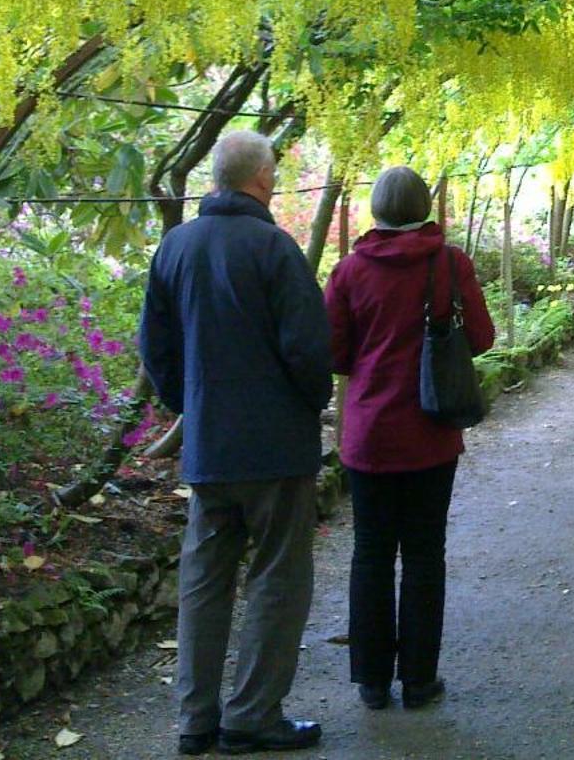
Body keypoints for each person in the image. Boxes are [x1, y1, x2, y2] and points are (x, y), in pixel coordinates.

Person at [139, 130, 334, 756]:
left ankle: (195, 719)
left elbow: (156, 349)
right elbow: (309, 352)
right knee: (277, 577)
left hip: (211, 449)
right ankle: (251, 714)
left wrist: (191, 406)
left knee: (203, 580)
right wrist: (309, 405)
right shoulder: (276, 250)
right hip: (276, 451)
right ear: (263, 179)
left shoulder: (175, 248)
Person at [325, 167, 496, 714]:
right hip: (431, 432)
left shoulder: (349, 271)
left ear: (375, 210)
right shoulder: (450, 263)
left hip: (370, 435)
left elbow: (334, 353)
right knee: (425, 555)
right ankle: (419, 680)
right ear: (425, 207)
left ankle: (372, 682)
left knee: (371, 554)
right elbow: (483, 337)